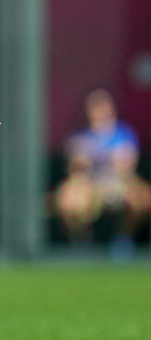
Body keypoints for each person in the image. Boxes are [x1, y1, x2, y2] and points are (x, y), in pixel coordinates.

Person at [54, 88, 151, 256]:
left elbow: (127, 165)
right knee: (68, 198)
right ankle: (81, 243)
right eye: (93, 107)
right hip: (89, 184)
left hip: (117, 183)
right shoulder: (79, 136)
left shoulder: (124, 132)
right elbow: (74, 170)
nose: (97, 111)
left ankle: (123, 239)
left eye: (101, 106)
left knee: (141, 198)